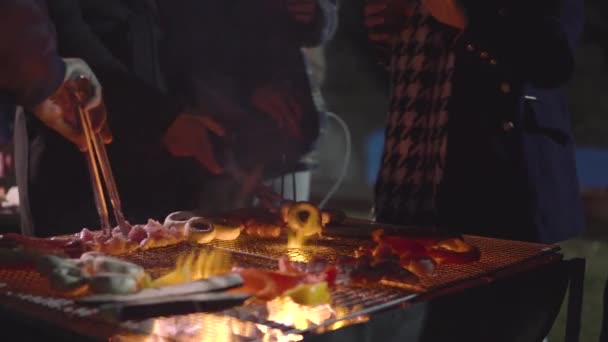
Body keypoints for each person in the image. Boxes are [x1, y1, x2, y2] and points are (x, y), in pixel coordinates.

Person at [365, 0, 584, 243]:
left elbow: (553, 61)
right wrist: (389, 27)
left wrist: (465, 16)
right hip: (407, 180)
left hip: (498, 190)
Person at [11, 0, 225, 237]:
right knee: (76, 259)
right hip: (69, 130)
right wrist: (161, 116)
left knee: (151, 256)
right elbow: (60, 27)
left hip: (152, 137)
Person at [157, 0, 339, 211]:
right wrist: (245, 86)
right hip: (220, 140)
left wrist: (318, 14)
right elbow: (181, 34)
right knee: (217, 233)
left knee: (292, 230)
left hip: (290, 139)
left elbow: (324, 20)